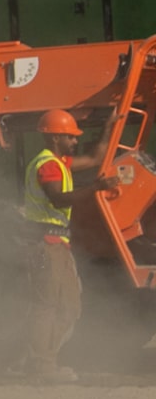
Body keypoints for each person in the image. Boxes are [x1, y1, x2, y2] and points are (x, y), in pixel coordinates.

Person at [18, 108, 118, 383]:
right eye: (70, 137)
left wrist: (109, 126)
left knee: (68, 306)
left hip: (56, 243)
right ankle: (42, 366)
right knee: (47, 305)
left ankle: (40, 359)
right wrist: (96, 188)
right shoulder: (48, 165)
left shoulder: (57, 163)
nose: (75, 142)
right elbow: (59, 199)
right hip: (47, 243)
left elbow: (96, 158)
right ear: (54, 138)